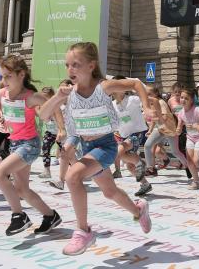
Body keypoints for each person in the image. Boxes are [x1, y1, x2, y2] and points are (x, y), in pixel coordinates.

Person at [39, 42, 155, 256]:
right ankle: (138, 210)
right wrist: (57, 96)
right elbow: (44, 115)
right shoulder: (69, 93)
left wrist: (146, 107)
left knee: (73, 177)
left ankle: (83, 232)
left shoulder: (104, 87)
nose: (70, 70)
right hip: (88, 149)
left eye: (76, 64)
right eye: (67, 65)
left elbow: (137, 84)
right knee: (110, 192)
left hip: (106, 146)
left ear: (91, 66)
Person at [0, 55, 61, 236]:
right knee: (22, 189)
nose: (4, 81)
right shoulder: (1, 94)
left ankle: (19, 216)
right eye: (2, 77)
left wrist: (62, 128)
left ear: (21, 75)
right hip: (15, 145)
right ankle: (50, 216)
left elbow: (53, 107)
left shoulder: (31, 97)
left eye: (8, 76)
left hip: (30, 145)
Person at [112, 75, 151, 196]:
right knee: (129, 166)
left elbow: (147, 92)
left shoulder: (133, 99)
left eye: (121, 85)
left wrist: (134, 81)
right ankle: (145, 184)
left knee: (119, 151)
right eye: (115, 85)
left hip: (137, 133)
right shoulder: (112, 104)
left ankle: (141, 163)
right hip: (123, 136)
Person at [144, 85, 189, 178]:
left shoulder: (160, 102)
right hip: (161, 129)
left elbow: (163, 118)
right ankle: (150, 169)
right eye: (146, 94)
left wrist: (154, 119)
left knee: (175, 152)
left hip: (170, 129)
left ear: (156, 94)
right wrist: (150, 130)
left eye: (149, 94)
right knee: (147, 146)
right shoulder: (151, 103)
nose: (147, 96)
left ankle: (188, 166)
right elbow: (154, 119)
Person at [176, 88, 199, 190]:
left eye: (186, 98)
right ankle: (196, 181)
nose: (183, 100)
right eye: (181, 97)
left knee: (195, 161)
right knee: (190, 161)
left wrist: (196, 125)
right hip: (190, 138)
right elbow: (179, 126)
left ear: (192, 100)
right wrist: (178, 130)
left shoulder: (197, 110)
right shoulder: (181, 113)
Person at [38, 86, 66, 179]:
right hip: (49, 132)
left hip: (59, 131)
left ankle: (72, 171)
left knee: (66, 152)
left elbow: (60, 120)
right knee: (45, 148)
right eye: (42, 98)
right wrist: (39, 130)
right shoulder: (42, 107)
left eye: (46, 98)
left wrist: (60, 131)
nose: (44, 100)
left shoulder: (58, 106)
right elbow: (41, 119)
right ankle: (47, 171)